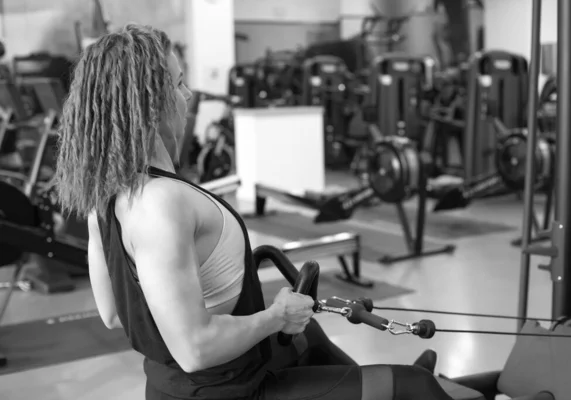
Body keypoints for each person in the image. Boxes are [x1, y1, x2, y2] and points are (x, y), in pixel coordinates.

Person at [53, 24, 456, 400]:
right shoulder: (160, 202)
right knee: (413, 386)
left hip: (179, 382)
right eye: (178, 84)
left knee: (309, 337)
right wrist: (275, 315)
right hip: (227, 388)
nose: (188, 95)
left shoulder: (106, 195)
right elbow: (195, 348)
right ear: (148, 104)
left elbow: (112, 313)